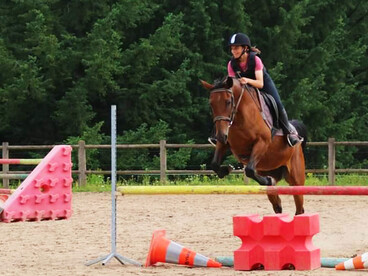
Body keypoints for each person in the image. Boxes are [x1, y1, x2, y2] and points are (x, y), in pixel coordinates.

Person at [227, 33, 301, 147]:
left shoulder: (255, 60)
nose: (233, 51)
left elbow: (260, 83)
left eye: (236, 48)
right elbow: (232, 84)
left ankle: (289, 133)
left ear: (245, 48)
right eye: (232, 48)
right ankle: (221, 135)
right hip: (245, 89)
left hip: (263, 84)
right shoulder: (231, 64)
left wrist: (247, 80)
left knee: (277, 103)